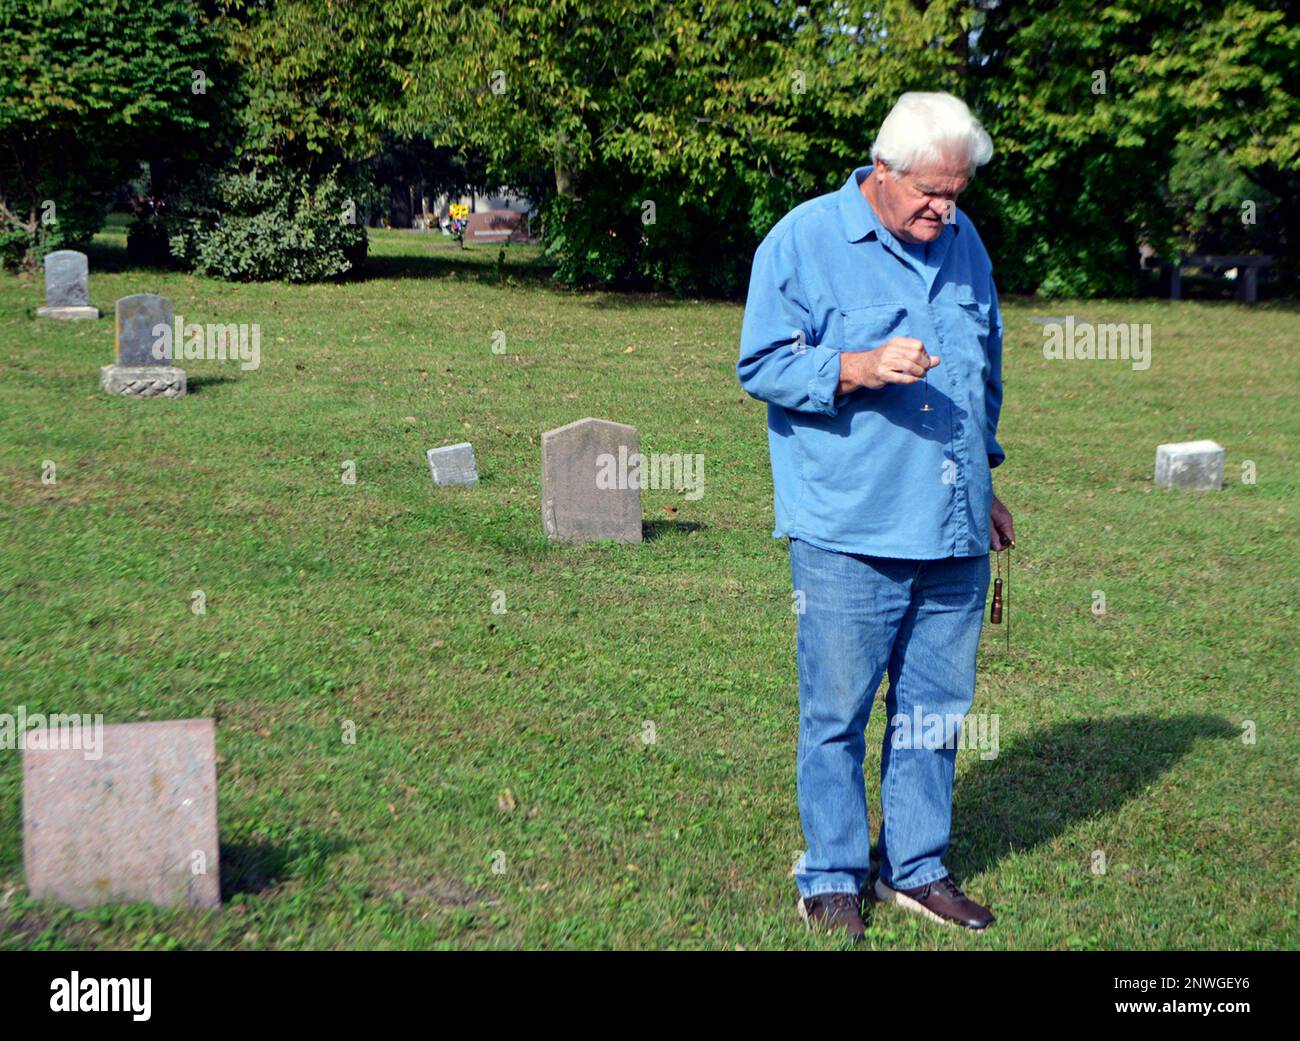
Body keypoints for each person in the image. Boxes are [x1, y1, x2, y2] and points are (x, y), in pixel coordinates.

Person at [737, 92, 1015, 942]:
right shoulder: (804, 240)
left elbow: (983, 373)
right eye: (931, 193)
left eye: (958, 193)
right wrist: (855, 366)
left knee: (934, 709)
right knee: (837, 713)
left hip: (952, 525)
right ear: (881, 170)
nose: (946, 210)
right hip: (850, 529)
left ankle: (917, 867)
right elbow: (761, 364)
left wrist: (986, 479)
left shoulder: (964, 246)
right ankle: (830, 873)